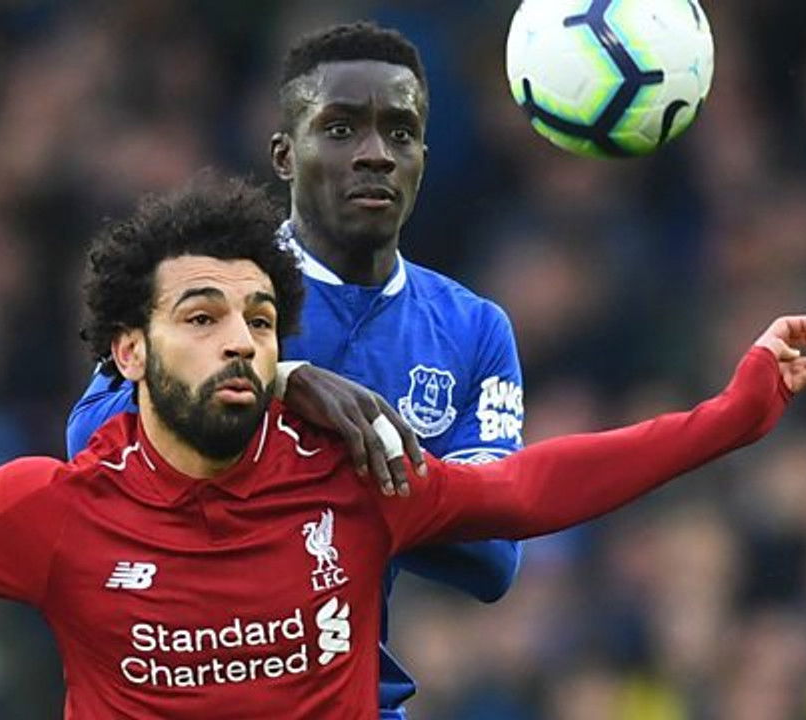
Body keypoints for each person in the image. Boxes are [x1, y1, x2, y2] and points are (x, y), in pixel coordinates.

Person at [0, 175, 806, 720]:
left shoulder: (353, 474)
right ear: (129, 351)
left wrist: (733, 413)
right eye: (201, 317)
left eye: (259, 318)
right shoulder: (54, 507)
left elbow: (526, 488)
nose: (238, 339)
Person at [65, 23, 529, 716]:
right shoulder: (207, 289)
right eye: (340, 129)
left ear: (423, 159)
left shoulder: (471, 329)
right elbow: (89, 441)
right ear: (284, 154)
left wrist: (341, 453)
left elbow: (492, 554)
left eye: (400, 134)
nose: (375, 154)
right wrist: (277, 381)